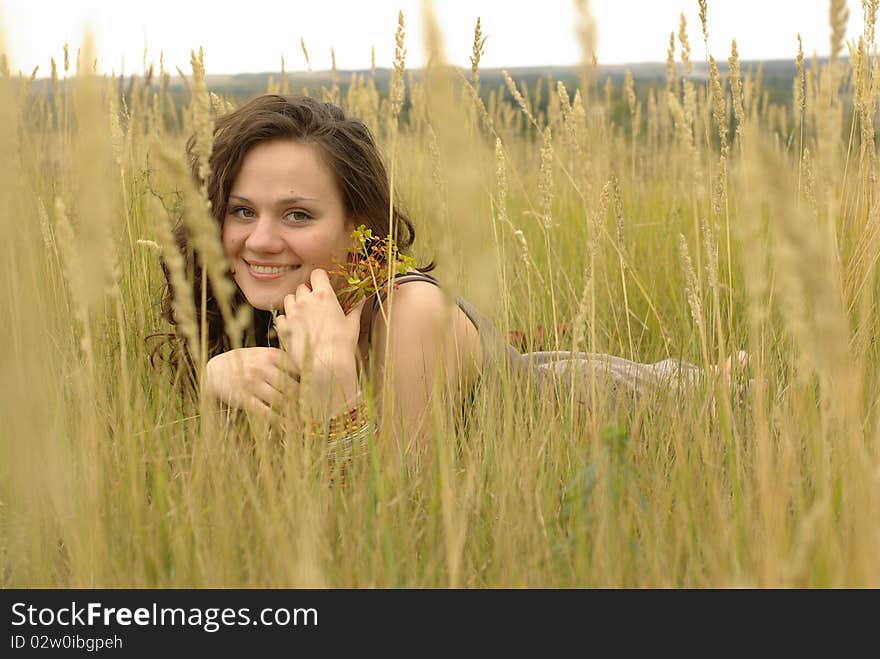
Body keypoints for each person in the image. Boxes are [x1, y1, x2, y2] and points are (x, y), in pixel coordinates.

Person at [156, 94, 748, 473]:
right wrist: (215, 381)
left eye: (298, 214)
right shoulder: (262, 306)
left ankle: (713, 382)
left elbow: (397, 517)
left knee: (715, 393)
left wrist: (337, 388)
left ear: (357, 225)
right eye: (241, 211)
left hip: (606, 410)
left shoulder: (409, 313)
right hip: (530, 368)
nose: (260, 239)